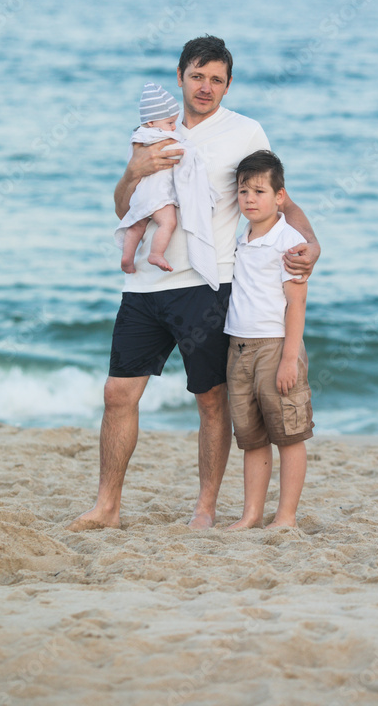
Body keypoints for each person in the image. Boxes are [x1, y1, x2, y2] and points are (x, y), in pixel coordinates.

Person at [68, 35, 320, 533]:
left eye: (217, 79)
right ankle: (107, 506)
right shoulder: (152, 131)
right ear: (181, 75)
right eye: (198, 76)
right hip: (144, 285)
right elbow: (125, 207)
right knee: (118, 393)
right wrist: (133, 169)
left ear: (228, 85)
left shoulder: (246, 132)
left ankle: (204, 509)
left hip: (208, 283)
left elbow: (281, 200)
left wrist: (311, 243)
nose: (206, 87)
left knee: (210, 399)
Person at [224, 150, 314, 530]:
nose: (250, 199)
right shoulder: (239, 236)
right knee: (252, 437)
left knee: (288, 434)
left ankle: (286, 517)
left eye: (259, 191)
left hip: (276, 347)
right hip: (239, 346)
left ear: (280, 197)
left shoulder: (288, 241)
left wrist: (289, 359)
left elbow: (296, 304)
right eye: (244, 191)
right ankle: (251, 514)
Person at [115, 82, 221, 289]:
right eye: (170, 122)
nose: (174, 127)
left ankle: (127, 257)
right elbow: (182, 152)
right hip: (158, 195)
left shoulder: (137, 138)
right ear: (153, 122)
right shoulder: (164, 137)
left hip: (140, 194)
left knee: (137, 225)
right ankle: (156, 254)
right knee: (168, 223)